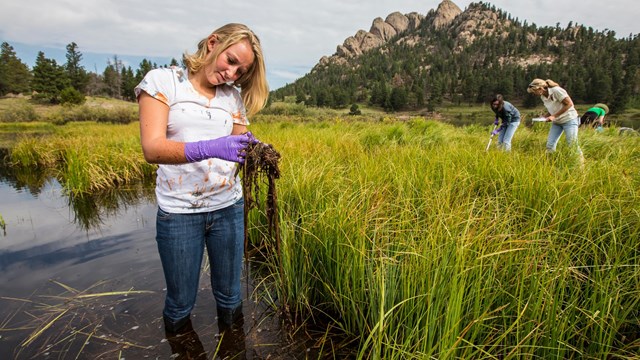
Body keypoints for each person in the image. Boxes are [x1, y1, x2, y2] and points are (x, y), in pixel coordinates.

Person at [134, 23, 269, 335]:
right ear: (212, 44)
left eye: (241, 72)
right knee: (181, 302)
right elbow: (152, 149)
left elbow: (241, 140)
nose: (232, 74)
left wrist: (260, 151)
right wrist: (211, 148)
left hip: (228, 209)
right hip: (180, 213)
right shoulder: (164, 82)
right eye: (231, 62)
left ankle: (234, 350)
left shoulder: (232, 98)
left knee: (230, 295)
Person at [526, 79, 583, 158]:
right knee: (550, 145)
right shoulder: (543, 97)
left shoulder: (556, 91)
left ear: (540, 88)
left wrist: (554, 116)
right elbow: (552, 109)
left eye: (534, 91)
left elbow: (569, 104)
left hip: (569, 120)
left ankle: (580, 165)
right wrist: (545, 116)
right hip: (557, 122)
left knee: (572, 144)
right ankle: (551, 162)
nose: (533, 94)